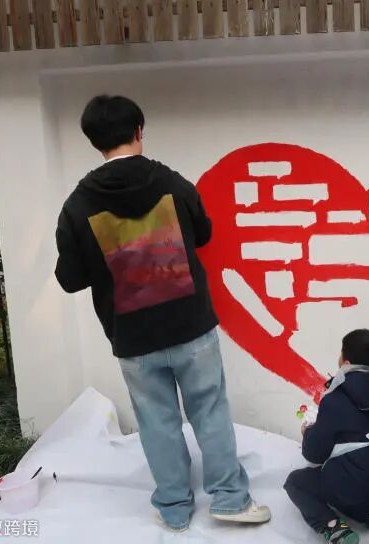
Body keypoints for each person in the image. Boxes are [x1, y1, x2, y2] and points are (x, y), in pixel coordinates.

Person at [54, 95, 270, 532]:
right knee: (209, 410)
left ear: (94, 143)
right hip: (191, 326)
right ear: (139, 131)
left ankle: (173, 506)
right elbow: (204, 233)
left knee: (157, 421)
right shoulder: (172, 183)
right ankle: (230, 498)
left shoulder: (78, 205)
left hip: (133, 336)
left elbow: (71, 279)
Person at [284, 329, 369, 544]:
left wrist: (308, 432)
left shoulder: (336, 399)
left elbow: (314, 454)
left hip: (356, 496)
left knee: (296, 482)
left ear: (345, 362)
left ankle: (335, 529)